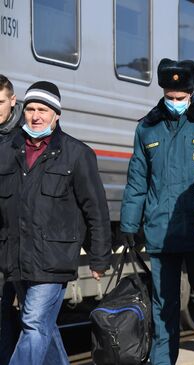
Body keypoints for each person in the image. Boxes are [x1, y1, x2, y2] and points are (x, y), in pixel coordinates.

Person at [0, 81, 111, 364]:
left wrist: (99, 257)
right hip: (16, 255)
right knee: (43, 328)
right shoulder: (7, 151)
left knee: (34, 323)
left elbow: (95, 210)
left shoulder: (77, 154)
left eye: (43, 110)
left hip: (54, 257)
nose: (36, 116)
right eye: (31, 109)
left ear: (56, 114)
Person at [120, 59, 194, 365]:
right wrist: (129, 223)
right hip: (161, 230)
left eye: (181, 98)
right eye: (170, 97)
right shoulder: (147, 127)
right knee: (164, 309)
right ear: (163, 92)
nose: (175, 103)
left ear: (192, 93)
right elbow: (137, 179)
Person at [0, 74, 23, 365]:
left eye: (0, 102)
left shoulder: (26, 136)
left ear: (12, 100)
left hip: (19, 239)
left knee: (28, 315)